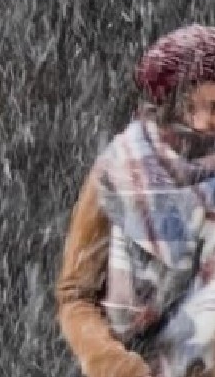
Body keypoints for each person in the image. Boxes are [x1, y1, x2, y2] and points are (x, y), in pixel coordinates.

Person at [58, 24, 215, 377]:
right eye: (203, 107)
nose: (209, 122)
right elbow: (76, 296)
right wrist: (115, 365)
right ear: (172, 102)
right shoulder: (118, 172)